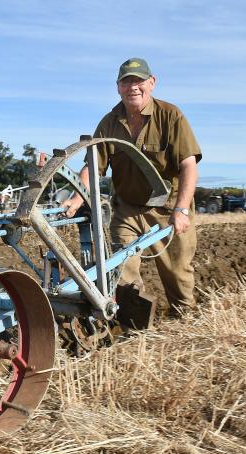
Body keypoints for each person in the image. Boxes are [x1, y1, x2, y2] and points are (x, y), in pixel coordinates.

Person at [62, 58, 201, 317]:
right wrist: (77, 198)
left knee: (177, 272)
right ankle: (133, 325)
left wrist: (182, 209)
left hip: (167, 208)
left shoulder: (170, 115)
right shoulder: (109, 122)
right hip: (127, 209)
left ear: (152, 82)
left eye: (138, 81)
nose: (133, 87)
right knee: (121, 271)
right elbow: (94, 166)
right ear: (118, 87)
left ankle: (185, 319)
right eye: (126, 81)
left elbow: (188, 165)